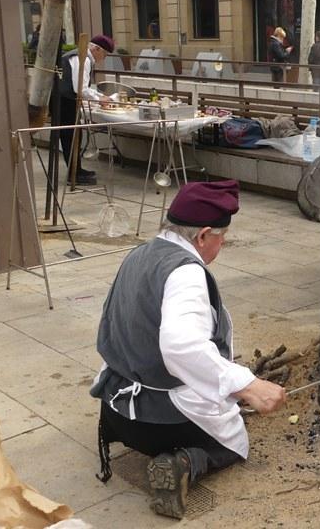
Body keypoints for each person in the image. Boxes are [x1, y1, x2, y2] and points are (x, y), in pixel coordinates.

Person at [90, 180, 286, 519]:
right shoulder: (185, 273)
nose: (222, 245)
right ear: (203, 235)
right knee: (235, 441)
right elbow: (180, 346)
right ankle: (183, 462)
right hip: (157, 423)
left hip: (114, 411)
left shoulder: (141, 252)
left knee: (216, 395)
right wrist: (248, 385)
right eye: (222, 237)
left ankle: (156, 444)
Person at [57, 34, 114, 185]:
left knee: (76, 135)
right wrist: (99, 98)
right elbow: (80, 88)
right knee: (71, 136)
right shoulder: (83, 58)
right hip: (65, 100)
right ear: (97, 49)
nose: (104, 58)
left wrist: (98, 96)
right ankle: (73, 174)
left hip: (66, 99)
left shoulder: (81, 56)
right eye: (105, 54)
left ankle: (77, 170)